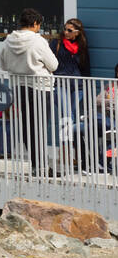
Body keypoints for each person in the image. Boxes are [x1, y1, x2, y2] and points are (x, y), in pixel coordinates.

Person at [0, 7, 59, 175]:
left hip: (18, 87)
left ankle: (36, 165)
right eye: (38, 25)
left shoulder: (8, 40)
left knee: (27, 127)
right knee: (39, 127)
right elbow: (54, 65)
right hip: (40, 87)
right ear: (34, 23)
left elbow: (3, 65)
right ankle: (42, 168)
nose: (39, 28)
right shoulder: (38, 41)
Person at [50, 18, 90, 169]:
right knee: (67, 116)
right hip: (60, 84)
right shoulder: (56, 44)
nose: (65, 32)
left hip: (77, 86)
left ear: (78, 33)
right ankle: (65, 153)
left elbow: (86, 68)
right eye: (65, 29)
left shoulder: (82, 46)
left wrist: (87, 87)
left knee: (73, 119)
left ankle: (76, 154)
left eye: (70, 30)